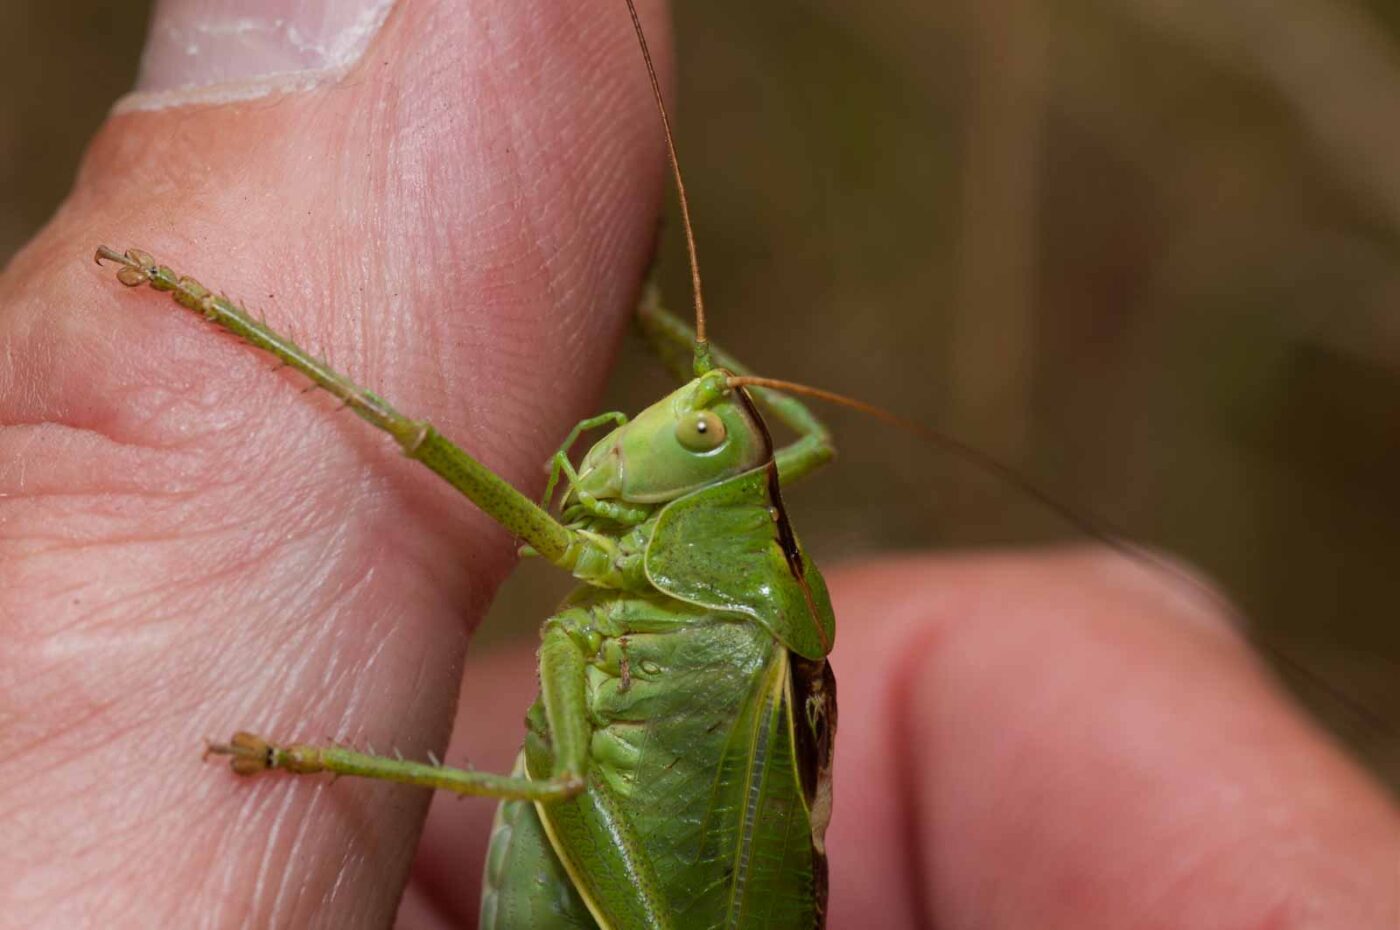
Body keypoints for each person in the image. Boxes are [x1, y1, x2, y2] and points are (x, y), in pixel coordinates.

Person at [2, 1, 1393, 926]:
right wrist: (663, 327)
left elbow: (462, 470)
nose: (688, 421)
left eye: (702, 429)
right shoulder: (727, 608)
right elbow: (806, 444)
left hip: (601, 881)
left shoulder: (724, 638)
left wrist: (293, 752)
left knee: (551, 758)